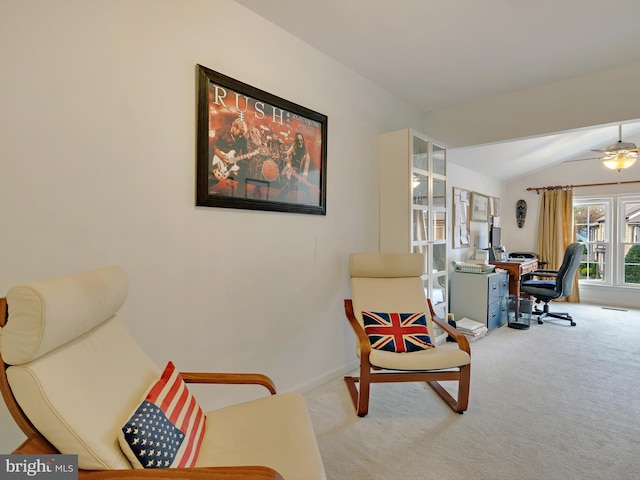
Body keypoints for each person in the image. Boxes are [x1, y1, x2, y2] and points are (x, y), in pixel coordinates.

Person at [211, 118, 249, 196]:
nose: (240, 135)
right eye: (239, 132)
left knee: (244, 168)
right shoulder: (224, 133)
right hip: (220, 160)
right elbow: (214, 145)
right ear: (233, 127)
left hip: (233, 161)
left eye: (242, 133)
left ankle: (238, 195)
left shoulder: (242, 139)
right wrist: (221, 156)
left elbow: (245, 153)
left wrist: (249, 156)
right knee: (213, 180)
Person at [279, 132, 316, 202]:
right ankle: (279, 198)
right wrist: (290, 169)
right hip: (290, 171)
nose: (300, 142)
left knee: (303, 189)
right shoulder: (291, 150)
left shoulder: (306, 155)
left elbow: (305, 170)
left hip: (299, 173)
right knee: (288, 187)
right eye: (298, 140)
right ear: (295, 141)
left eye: (301, 140)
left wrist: (304, 178)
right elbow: (289, 162)